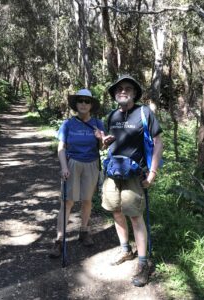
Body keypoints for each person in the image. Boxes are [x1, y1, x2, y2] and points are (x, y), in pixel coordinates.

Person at [101, 75, 163, 287]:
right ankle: (126, 250)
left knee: (135, 217)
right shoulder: (112, 115)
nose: (123, 91)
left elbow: (157, 142)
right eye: (119, 89)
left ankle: (143, 263)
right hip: (112, 172)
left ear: (135, 93)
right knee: (116, 211)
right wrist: (105, 142)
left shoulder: (144, 112)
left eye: (128, 88)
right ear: (115, 94)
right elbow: (111, 142)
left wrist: (153, 172)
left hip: (135, 175)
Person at [50, 88, 105, 258]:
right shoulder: (68, 124)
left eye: (86, 101)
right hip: (72, 163)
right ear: (76, 104)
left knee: (87, 200)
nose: (83, 104)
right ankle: (59, 240)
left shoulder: (98, 124)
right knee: (67, 202)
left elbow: (104, 147)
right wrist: (64, 167)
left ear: (91, 105)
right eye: (80, 101)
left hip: (92, 163)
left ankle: (84, 231)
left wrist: (100, 139)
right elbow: (61, 148)